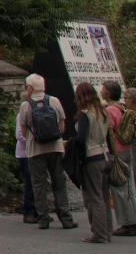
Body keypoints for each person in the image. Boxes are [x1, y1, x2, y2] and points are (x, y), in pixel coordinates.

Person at [17, 73, 77, 230]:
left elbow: (23, 132)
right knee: (59, 183)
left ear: (29, 87)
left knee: (39, 185)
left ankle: (43, 219)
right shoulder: (54, 100)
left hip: (35, 150)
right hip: (55, 148)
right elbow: (62, 126)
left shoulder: (26, 105)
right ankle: (66, 219)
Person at [75, 81, 113, 243]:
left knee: (95, 197)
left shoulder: (85, 114)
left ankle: (99, 234)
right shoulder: (103, 112)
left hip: (92, 157)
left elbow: (81, 139)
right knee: (104, 196)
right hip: (105, 154)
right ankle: (107, 230)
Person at [102, 81, 136, 236]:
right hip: (127, 149)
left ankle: (128, 222)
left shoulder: (109, 110)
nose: (101, 91)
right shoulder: (122, 108)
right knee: (129, 186)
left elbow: (106, 132)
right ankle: (133, 218)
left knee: (118, 188)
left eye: (103, 89)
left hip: (116, 151)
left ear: (108, 93)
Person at [16, 82, 37, 223]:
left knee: (36, 182)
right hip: (25, 152)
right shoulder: (22, 112)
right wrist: (34, 140)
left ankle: (37, 210)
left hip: (35, 151)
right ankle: (28, 211)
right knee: (30, 182)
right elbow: (19, 134)